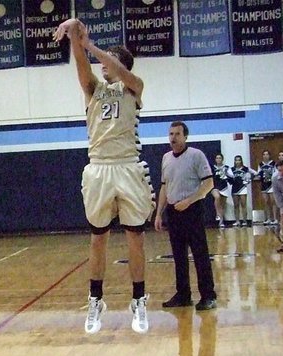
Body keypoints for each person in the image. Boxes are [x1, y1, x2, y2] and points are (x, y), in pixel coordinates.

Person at [53, 19, 154, 334]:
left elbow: (114, 67)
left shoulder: (134, 87)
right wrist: (74, 35)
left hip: (127, 166)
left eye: (110, 60)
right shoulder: (94, 90)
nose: (102, 64)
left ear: (121, 64)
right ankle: (96, 300)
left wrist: (91, 45)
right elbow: (82, 66)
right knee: (98, 238)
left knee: (135, 237)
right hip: (99, 167)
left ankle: (138, 299)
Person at [154, 122, 217, 311]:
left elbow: (209, 184)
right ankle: (183, 295)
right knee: (179, 256)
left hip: (192, 210)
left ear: (185, 136)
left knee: (200, 254)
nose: (173, 137)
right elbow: (164, 187)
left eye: (177, 134)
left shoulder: (196, 155)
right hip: (173, 213)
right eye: (171, 134)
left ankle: (208, 296)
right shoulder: (166, 158)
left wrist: (189, 201)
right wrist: (159, 213)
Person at [228, 155, 257, 227]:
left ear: (241, 161)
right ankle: (237, 221)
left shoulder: (245, 169)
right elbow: (228, 177)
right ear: (234, 161)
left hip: (243, 188)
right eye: (236, 160)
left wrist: (249, 180)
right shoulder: (231, 169)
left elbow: (255, 173)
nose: (237, 161)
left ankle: (244, 221)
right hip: (235, 188)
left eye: (239, 160)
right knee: (236, 205)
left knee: (243, 205)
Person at [210, 154, 232, 228]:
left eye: (220, 158)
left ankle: (221, 221)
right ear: (215, 159)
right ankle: (217, 214)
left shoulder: (226, 168)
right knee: (217, 197)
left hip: (224, 187)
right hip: (215, 186)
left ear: (222, 159)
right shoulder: (212, 167)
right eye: (217, 158)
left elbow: (232, 177)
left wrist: (226, 174)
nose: (218, 159)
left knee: (222, 205)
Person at [256, 150, 277, 226]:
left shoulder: (273, 163)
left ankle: (275, 218)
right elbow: (258, 174)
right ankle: (268, 218)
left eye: (267, 154)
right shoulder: (260, 164)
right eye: (264, 154)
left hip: (272, 184)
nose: (265, 156)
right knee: (266, 202)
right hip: (264, 184)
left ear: (269, 155)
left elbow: (276, 173)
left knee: (273, 201)